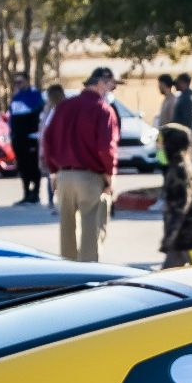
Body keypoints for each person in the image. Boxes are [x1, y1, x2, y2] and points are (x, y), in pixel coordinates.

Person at [42, 66, 120, 261]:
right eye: (111, 85)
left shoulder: (65, 106)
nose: (111, 90)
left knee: (67, 228)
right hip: (91, 176)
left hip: (64, 175)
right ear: (101, 83)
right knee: (91, 230)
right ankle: (89, 276)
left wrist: (53, 172)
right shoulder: (103, 109)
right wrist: (109, 176)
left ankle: (68, 275)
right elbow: (106, 147)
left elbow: (47, 139)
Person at [157, 124, 192, 267]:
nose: (158, 147)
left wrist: (168, 239)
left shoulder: (178, 171)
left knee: (168, 278)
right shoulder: (179, 167)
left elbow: (178, 209)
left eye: (161, 143)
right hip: (183, 239)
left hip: (184, 240)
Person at [8, 72, 44, 204]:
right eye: (16, 82)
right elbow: (12, 117)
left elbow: (36, 113)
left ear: (27, 81)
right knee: (22, 166)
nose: (18, 85)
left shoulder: (35, 95)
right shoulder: (16, 97)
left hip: (31, 137)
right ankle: (26, 193)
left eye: (20, 82)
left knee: (33, 166)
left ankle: (35, 193)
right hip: (18, 138)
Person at [38, 83, 65, 209]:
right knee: (54, 175)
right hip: (57, 149)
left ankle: (55, 201)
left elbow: (45, 133)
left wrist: (43, 152)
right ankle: (52, 200)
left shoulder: (59, 111)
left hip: (57, 149)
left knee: (54, 175)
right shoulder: (49, 110)